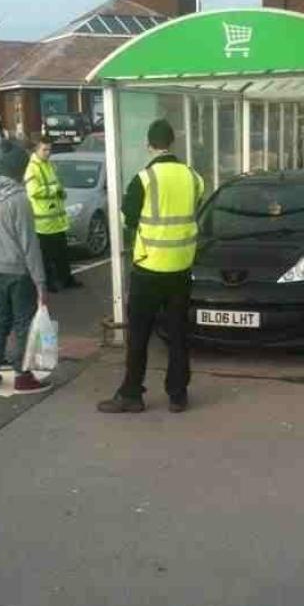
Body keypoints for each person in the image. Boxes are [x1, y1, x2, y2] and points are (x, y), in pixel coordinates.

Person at [98, 119, 204, 415]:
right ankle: (178, 395)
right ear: (172, 143)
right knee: (178, 334)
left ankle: (132, 394)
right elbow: (195, 206)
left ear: (149, 145)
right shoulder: (193, 177)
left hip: (149, 268)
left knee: (140, 335)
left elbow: (129, 219)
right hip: (181, 268)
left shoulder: (143, 179)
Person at [0, 141, 51, 394]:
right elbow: (30, 245)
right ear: (19, 169)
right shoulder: (19, 199)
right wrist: (40, 282)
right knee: (23, 323)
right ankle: (22, 375)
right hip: (19, 271)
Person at [24, 137, 82, 293]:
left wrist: (60, 192)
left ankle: (66, 279)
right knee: (47, 257)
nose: (48, 153)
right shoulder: (32, 168)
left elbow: (56, 184)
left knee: (62, 253)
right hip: (43, 223)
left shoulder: (48, 165)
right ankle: (49, 284)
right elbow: (33, 191)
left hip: (56, 220)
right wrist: (54, 190)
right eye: (44, 149)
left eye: (49, 149)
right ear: (36, 150)